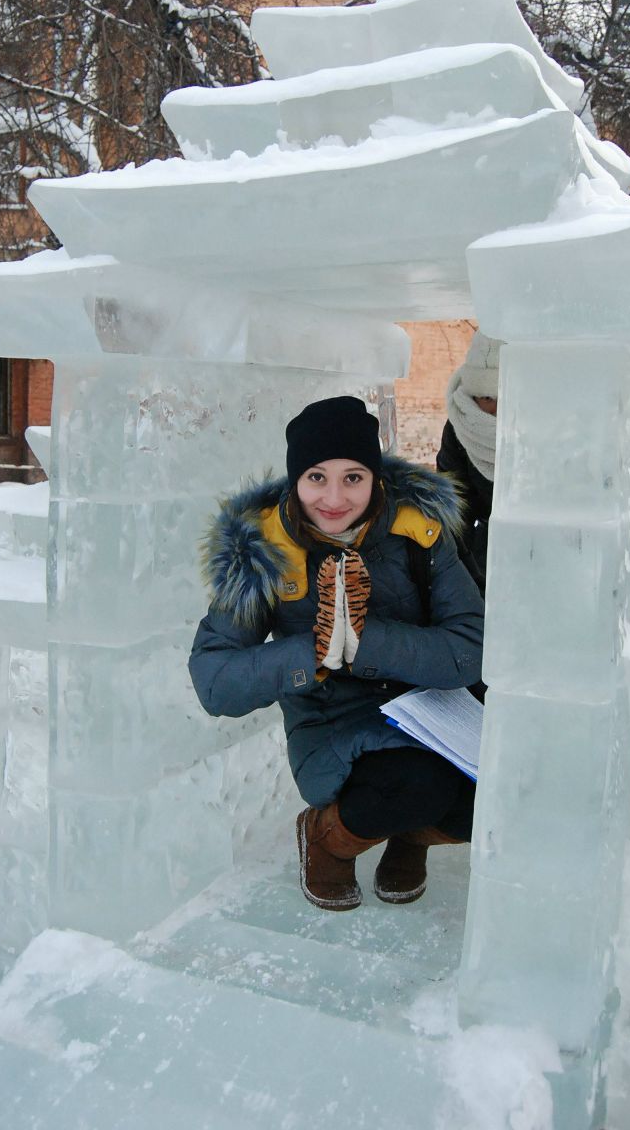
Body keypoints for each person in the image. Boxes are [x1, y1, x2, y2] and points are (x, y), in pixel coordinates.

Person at [189, 395, 485, 913]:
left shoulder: (418, 532)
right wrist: (315, 654)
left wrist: (367, 643)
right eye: (316, 477)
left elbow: (471, 647)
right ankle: (326, 839)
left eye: (353, 477)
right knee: (415, 786)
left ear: (374, 478)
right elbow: (215, 681)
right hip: (333, 721)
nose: (334, 497)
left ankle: (409, 837)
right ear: (296, 480)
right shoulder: (264, 552)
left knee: (484, 802)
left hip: (428, 709)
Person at [436, 330, 503, 598]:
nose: (496, 409)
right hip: (486, 553)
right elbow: (455, 502)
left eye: (502, 396)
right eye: (487, 398)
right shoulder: (460, 428)